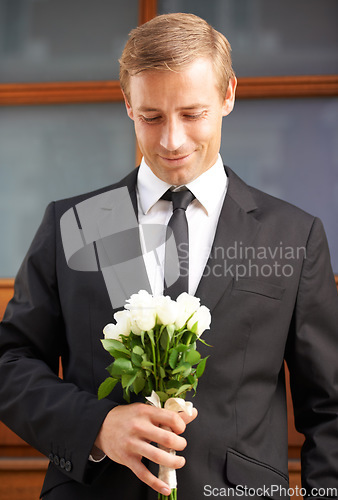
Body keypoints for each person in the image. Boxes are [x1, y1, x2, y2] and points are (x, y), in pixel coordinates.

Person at [0, 12, 337, 500]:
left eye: (192, 114)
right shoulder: (73, 224)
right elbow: (10, 361)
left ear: (228, 95)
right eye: (152, 116)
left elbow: (329, 407)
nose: (171, 141)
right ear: (128, 105)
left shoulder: (294, 235)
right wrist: (98, 426)